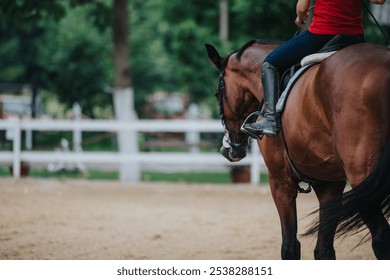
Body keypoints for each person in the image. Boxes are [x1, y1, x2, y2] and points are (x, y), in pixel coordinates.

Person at [242, 0, 387, 138]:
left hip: (323, 34)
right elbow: (379, 1)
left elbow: (302, 8)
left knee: (270, 63)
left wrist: (300, 17)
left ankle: (270, 119)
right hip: (354, 37)